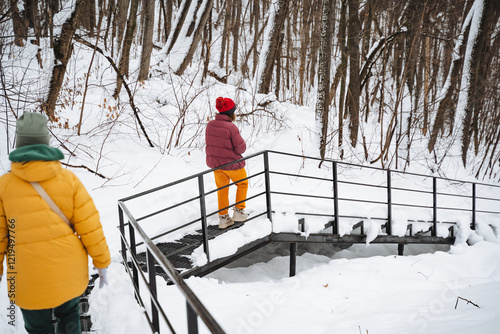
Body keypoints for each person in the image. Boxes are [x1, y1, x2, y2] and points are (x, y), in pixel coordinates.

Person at [0, 112, 111, 334]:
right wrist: (102, 262)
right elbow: (90, 226)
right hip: (67, 272)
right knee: (69, 316)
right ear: (46, 142)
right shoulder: (68, 179)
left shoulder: (4, 185)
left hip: (25, 277)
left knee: (38, 327)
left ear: (19, 144)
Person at [206, 97, 249, 228]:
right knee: (243, 184)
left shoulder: (210, 125)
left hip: (217, 165)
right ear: (232, 113)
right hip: (232, 164)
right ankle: (239, 211)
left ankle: (224, 218)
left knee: (222, 189)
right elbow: (241, 148)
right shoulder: (231, 127)